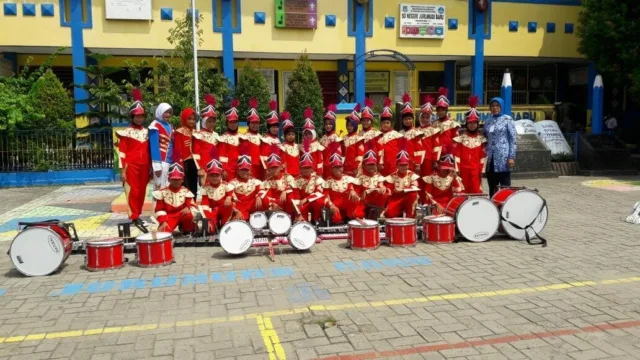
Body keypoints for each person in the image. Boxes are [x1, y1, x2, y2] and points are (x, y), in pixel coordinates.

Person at [116, 88, 151, 231]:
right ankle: (134, 217)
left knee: (142, 192)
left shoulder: (147, 132)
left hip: (145, 167)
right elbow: (122, 153)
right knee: (133, 192)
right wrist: (122, 171)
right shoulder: (126, 133)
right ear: (132, 116)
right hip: (131, 167)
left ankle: (138, 215)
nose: (139, 118)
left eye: (142, 116)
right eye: (137, 116)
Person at [153, 149, 197, 233]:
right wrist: (163, 221)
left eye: (178, 179)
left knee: (189, 216)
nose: (176, 181)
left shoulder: (186, 192)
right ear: (169, 179)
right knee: (164, 232)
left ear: (182, 179)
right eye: (173, 179)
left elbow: (193, 206)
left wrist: (189, 208)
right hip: (169, 217)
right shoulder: (162, 193)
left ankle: (185, 228)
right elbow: (159, 209)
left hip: (182, 215)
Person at [454, 96, 487, 194]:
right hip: (463, 170)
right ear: (466, 124)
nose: (472, 125)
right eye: (469, 123)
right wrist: (457, 169)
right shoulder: (461, 138)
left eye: (474, 123)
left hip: (476, 170)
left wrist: (482, 171)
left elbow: (483, 156)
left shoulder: (482, 139)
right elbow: (457, 155)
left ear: (477, 124)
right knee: (462, 191)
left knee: (476, 191)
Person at [485, 97, 517, 198]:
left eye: (497, 106)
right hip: (491, 159)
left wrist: (511, 157)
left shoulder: (508, 119)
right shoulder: (488, 121)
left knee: (505, 187)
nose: (495, 108)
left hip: (503, 159)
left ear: (501, 107)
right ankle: (493, 209)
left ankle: (505, 209)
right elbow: (485, 137)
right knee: (492, 187)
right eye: (493, 106)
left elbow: (513, 139)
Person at [228, 143, 269, 220]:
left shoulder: (257, 182)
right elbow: (231, 200)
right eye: (242, 170)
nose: (244, 172)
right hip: (239, 208)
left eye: (246, 170)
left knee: (265, 199)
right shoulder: (232, 184)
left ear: (250, 171)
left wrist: (259, 196)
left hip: (253, 206)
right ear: (237, 171)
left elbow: (262, 190)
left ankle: (260, 216)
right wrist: (236, 211)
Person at [322, 143, 359, 224]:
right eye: (336, 167)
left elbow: (351, 188)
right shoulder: (328, 181)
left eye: (340, 167)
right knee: (337, 219)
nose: (338, 169)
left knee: (355, 197)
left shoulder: (347, 178)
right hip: (335, 204)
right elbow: (326, 196)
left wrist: (353, 191)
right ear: (331, 169)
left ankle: (349, 217)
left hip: (345, 203)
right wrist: (331, 205)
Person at [200, 150, 234, 234]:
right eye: (212, 175)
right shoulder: (205, 189)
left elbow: (233, 200)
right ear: (208, 176)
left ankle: (224, 224)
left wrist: (229, 197)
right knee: (210, 229)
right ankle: (214, 224)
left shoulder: (226, 185)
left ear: (221, 175)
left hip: (224, 210)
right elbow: (205, 205)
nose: (214, 178)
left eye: (217, 175)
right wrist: (209, 218)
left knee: (229, 204)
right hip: (212, 211)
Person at [382, 143, 420, 219]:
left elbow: (415, 187)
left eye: (405, 165)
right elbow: (389, 191)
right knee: (389, 214)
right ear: (397, 165)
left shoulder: (411, 175)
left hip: (408, 199)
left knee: (413, 194)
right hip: (396, 199)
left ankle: (410, 217)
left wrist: (401, 190)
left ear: (408, 165)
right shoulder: (392, 176)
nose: (403, 167)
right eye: (401, 165)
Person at [353, 141, 389, 220]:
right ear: (363, 165)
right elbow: (357, 194)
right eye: (368, 164)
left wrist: (382, 188)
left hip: (375, 203)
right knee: (357, 214)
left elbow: (381, 185)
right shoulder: (359, 178)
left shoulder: (379, 176)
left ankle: (379, 213)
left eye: (373, 164)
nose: (371, 167)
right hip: (363, 203)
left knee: (385, 193)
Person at [293, 139, 326, 223]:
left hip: (312, 202)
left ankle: (316, 219)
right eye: (304, 168)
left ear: (312, 169)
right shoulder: (296, 181)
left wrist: (307, 199)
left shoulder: (317, 179)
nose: (306, 170)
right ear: (300, 169)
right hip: (302, 204)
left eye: (308, 168)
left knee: (319, 201)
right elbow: (296, 197)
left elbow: (319, 193)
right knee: (301, 222)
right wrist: (298, 212)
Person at [423, 148, 464, 214]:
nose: (445, 171)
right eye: (444, 169)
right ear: (439, 167)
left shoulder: (452, 177)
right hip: (436, 204)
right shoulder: (432, 177)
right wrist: (436, 204)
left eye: (447, 169)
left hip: (450, 204)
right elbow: (428, 194)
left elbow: (459, 191)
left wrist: (455, 177)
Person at [262, 145, 297, 217]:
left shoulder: (288, 177)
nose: (274, 170)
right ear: (268, 169)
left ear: (281, 167)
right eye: (272, 168)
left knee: (291, 196)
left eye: (276, 167)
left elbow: (295, 190)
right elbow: (268, 196)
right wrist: (273, 203)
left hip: (286, 204)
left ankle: (290, 217)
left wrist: (285, 191)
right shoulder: (267, 182)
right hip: (274, 204)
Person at [193, 94, 219, 186]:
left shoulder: (216, 135)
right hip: (204, 168)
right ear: (204, 121)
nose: (211, 123)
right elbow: (196, 153)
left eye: (213, 121)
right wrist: (199, 168)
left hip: (216, 168)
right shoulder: (198, 135)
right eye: (209, 121)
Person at [174, 108, 198, 198]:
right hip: (184, 163)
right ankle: (185, 206)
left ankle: (193, 206)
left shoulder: (195, 132)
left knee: (194, 187)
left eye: (193, 119)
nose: (192, 121)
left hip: (194, 163)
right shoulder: (179, 132)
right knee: (185, 186)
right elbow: (177, 150)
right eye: (189, 119)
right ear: (184, 119)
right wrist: (180, 166)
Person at [149, 102, 174, 190]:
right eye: (165, 112)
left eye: (169, 112)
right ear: (160, 111)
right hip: (161, 162)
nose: (168, 114)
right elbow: (154, 146)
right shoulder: (155, 125)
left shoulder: (169, 126)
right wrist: (157, 166)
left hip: (170, 162)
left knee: (167, 190)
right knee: (159, 190)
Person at [377, 96, 404, 176]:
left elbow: (401, 150)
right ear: (381, 124)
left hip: (393, 165)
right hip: (381, 166)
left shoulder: (397, 135)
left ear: (391, 124)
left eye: (387, 123)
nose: (385, 125)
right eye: (383, 123)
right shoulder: (377, 135)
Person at [219, 99, 242, 181]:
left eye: (235, 122)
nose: (233, 124)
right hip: (228, 170)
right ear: (227, 123)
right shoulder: (223, 138)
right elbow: (222, 155)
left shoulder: (242, 137)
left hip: (241, 169)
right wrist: (224, 169)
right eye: (231, 122)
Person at [418, 95, 441, 178]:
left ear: (430, 118)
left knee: (428, 180)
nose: (424, 119)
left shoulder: (434, 130)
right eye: (423, 117)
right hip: (417, 161)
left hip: (429, 160)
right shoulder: (415, 131)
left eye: (427, 117)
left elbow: (437, 147)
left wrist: (435, 161)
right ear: (420, 118)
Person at [319, 104, 344, 179]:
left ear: (333, 124)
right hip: (324, 167)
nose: (328, 126)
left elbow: (339, 154)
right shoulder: (322, 139)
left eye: (330, 124)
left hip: (333, 167)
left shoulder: (336, 138)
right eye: (326, 124)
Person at [399, 93, 422, 172]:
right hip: (401, 164)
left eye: (409, 119)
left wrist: (417, 164)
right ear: (402, 121)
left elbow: (419, 150)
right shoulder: (399, 133)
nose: (408, 121)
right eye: (405, 119)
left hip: (413, 163)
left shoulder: (417, 132)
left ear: (413, 119)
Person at [242, 98, 264, 180]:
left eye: (257, 123)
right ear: (248, 124)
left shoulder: (262, 138)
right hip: (250, 168)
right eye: (253, 123)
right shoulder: (244, 137)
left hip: (261, 169)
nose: (255, 125)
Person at [300, 107, 325, 175]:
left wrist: (319, 174)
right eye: (306, 134)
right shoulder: (301, 146)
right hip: (303, 174)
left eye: (310, 134)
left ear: (313, 134)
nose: (308, 136)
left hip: (314, 174)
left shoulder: (317, 146)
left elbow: (320, 161)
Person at [343, 105, 364, 176]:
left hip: (354, 170)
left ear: (355, 126)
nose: (349, 127)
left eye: (351, 125)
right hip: (344, 169)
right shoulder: (344, 138)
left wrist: (356, 167)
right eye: (348, 125)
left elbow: (360, 155)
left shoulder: (358, 138)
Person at [261, 100, 282, 172]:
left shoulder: (278, 139)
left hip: (278, 169)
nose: (275, 129)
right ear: (269, 128)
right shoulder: (266, 139)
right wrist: (267, 169)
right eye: (273, 127)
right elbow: (264, 157)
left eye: (276, 127)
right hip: (269, 170)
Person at [280, 112, 300, 177]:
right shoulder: (282, 147)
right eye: (288, 134)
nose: (291, 136)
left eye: (292, 134)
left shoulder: (297, 146)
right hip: (288, 175)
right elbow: (283, 162)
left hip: (298, 174)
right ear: (285, 135)